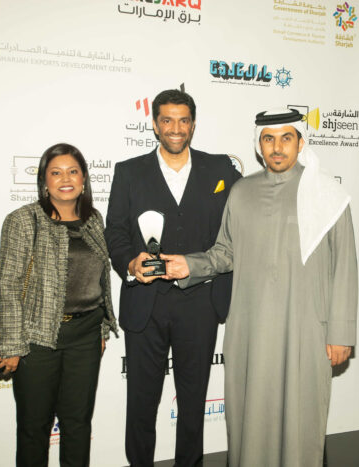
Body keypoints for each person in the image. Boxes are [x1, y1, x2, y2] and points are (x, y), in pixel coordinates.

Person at [162, 108, 358, 467]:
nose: (277, 147)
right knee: (249, 421)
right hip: (250, 330)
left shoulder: (328, 195)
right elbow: (225, 252)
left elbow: (345, 266)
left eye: (286, 138)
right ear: (259, 145)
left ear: (300, 143)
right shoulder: (242, 192)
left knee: (302, 420)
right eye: (269, 139)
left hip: (306, 330)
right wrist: (189, 265)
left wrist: (341, 333)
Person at [104, 89, 241, 466]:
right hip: (145, 304)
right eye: (167, 120)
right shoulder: (129, 172)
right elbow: (115, 231)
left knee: (193, 403)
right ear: (154, 124)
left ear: (193, 125)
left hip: (200, 303)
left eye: (183, 121)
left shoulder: (220, 169)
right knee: (141, 404)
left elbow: (244, 217)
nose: (175, 128)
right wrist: (130, 263)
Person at [0, 143, 118, 467]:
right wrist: (12, 345)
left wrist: (101, 328)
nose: (66, 179)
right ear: (44, 181)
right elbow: (8, 286)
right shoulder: (23, 220)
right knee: (34, 428)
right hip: (36, 340)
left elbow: (99, 279)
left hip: (85, 336)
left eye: (73, 171)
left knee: (78, 424)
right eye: (56, 172)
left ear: (84, 178)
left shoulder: (94, 220)